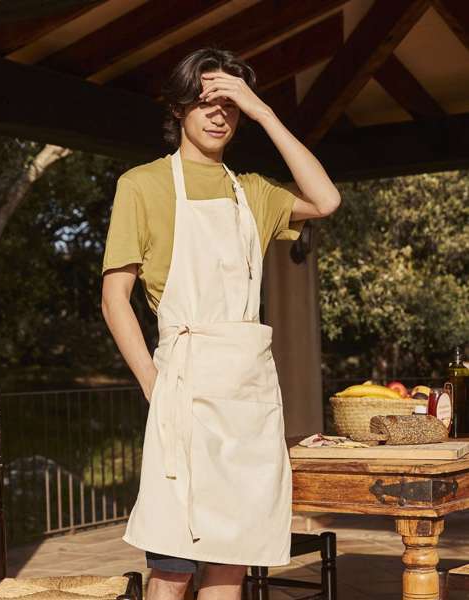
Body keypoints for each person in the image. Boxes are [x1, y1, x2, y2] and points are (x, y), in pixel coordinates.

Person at [101, 47, 340, 600]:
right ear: (178, 107)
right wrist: (154, 385)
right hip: (183, 388)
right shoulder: (142, 185)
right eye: (206, 101)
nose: (218, 114)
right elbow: (115, 299)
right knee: (173, 566)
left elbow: (326, 199)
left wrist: (264, 112)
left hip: (247, 401)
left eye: (230, 104)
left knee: (230, 564)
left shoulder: (252, 191)